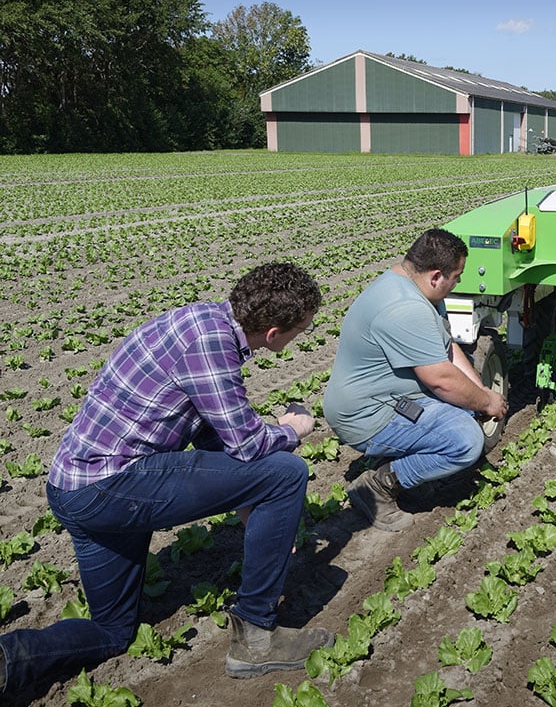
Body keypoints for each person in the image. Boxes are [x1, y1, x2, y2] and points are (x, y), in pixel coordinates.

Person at [0, 263, 331, 696]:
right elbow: (249, 446)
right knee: (286, 472)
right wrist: (294, 430)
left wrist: (250, 500)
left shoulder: (199, 322)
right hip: (111, 486)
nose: (298, 338)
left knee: (114, 631)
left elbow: (209, 431)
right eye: (300, 331)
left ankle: (10, 659)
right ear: (273, 333)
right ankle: (256, 635)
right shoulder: (213, 345)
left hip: (72, 489)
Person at [324, 228, 508, 532]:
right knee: (465, 440)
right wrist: (487, 401)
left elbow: (447, 349)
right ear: (436, 276)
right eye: (457, 277)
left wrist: (480, 392)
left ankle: (408, 462)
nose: (459, 283)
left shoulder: (415, 287)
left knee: (467, 405)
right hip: (367, 414)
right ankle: (377, 487)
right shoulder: (405, 307)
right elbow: (442, 382)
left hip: (388, 397)